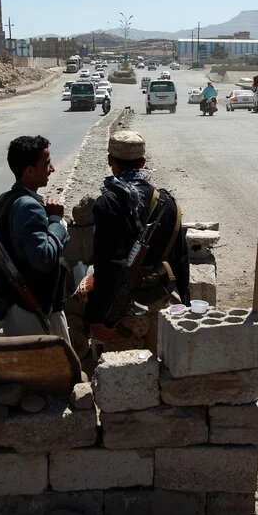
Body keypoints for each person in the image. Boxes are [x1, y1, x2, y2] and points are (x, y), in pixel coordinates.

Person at [80, 131, 189, 352]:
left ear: (110, 161)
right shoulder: (168, 202)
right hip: (161, 302)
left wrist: (97, 316)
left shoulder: (108, 202)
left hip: (121, 313)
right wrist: (185, 305)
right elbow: (180, 258)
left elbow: (106, 264)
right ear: (143, 162)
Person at [0, 135, 71, 342]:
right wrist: (56, 221)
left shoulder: (7, 199)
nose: (52, 169)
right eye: (47, 163)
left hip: (18, 305)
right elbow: (44, 258)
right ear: (30, 171)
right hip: (33, 309)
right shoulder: (29, 207)